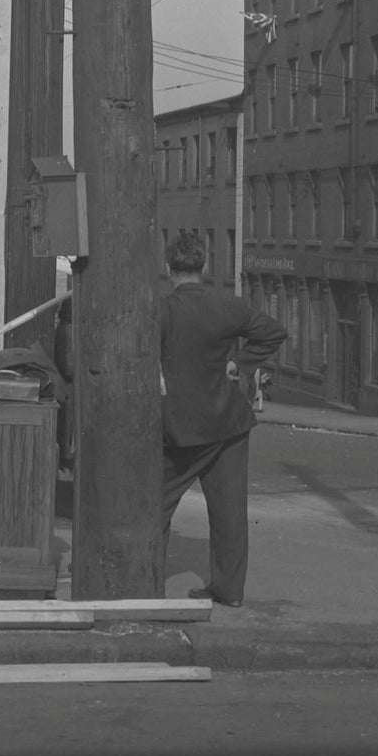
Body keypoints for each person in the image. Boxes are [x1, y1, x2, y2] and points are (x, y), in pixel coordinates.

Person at [159, 228, 286, 606]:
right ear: (205, 265)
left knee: (154, 506)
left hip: (179, 429)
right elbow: (274, 333)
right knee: (230, 512)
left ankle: (146, 585)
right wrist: (240, 364)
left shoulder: (162, 312)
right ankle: (229, 592)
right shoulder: (230, 306)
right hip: (229, 425)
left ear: (168, 268)